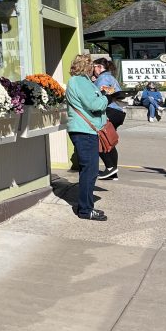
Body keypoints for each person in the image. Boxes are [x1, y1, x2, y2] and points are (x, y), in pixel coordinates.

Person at [65, 53, 109, 221]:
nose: (94, 69)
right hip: (85, 131)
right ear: (87, 66)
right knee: (89, 172)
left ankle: (85, 206)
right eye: (92, 65)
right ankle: (85, 209)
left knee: (88, 171)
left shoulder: (78, 81)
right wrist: (107, 98)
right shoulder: (81, 81)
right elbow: (94, 104)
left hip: (84, 130)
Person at [92, 57, 124, 180]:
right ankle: (112, 172)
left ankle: (110, 167)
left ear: (100, 67)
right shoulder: (111, 78)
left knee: (99, 139)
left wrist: (94, 83)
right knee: (109, 140)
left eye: (94, 67)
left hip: (108, 110)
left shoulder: (102, 78)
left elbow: (98, 96)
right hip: (118, 112)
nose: (92, 70)